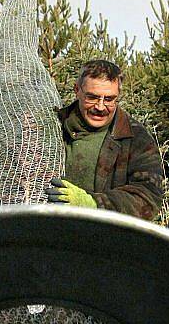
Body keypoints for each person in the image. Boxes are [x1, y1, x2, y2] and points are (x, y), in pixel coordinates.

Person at [45, 60, 162, 220]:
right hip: (50, 231)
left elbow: (149, 198)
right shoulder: (52, 126)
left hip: (105, 237)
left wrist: (92, 204)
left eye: (109, 99)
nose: (100, 107)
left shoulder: (136, 138)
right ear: (77, 90)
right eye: (92, 97)